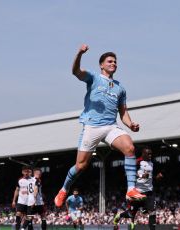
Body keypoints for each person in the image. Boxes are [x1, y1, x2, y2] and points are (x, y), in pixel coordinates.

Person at [54, 44, 145, 207]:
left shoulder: (120, 88)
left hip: (111, 127)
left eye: (115, 62)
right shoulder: (94, 78)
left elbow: (123, 112)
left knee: (130, 147)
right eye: (110, 61)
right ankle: (63, 189)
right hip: (92, 127)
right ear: (101, 65)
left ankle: (131, 189)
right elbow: (75, 72)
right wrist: (79, 53)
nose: (113, 64)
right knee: (81, 166)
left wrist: (130, 124)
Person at [113, 147, 163, 230]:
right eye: (148, 154)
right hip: (137, 192)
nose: (150, 155)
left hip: (149, 192)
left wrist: (157, 177)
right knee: (130, 214)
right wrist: (141, 176)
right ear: (143, 154)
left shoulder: (152, 163)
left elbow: (151, 177)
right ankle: (119, 216)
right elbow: (128, 173)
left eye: (151, 153)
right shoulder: (137, 162)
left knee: (152, 212)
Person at [12, 165, 33, 230]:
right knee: (18, 214)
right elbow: (17, 190)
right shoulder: (20, 180)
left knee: (29, 217)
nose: (26, 173)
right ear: (22, 172)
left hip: (30, 202)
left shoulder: (33, 180)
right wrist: (14, 201)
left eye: (27, 171)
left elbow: (36, 190)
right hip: (21, 201)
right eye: (25, 171)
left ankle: (23, 228)